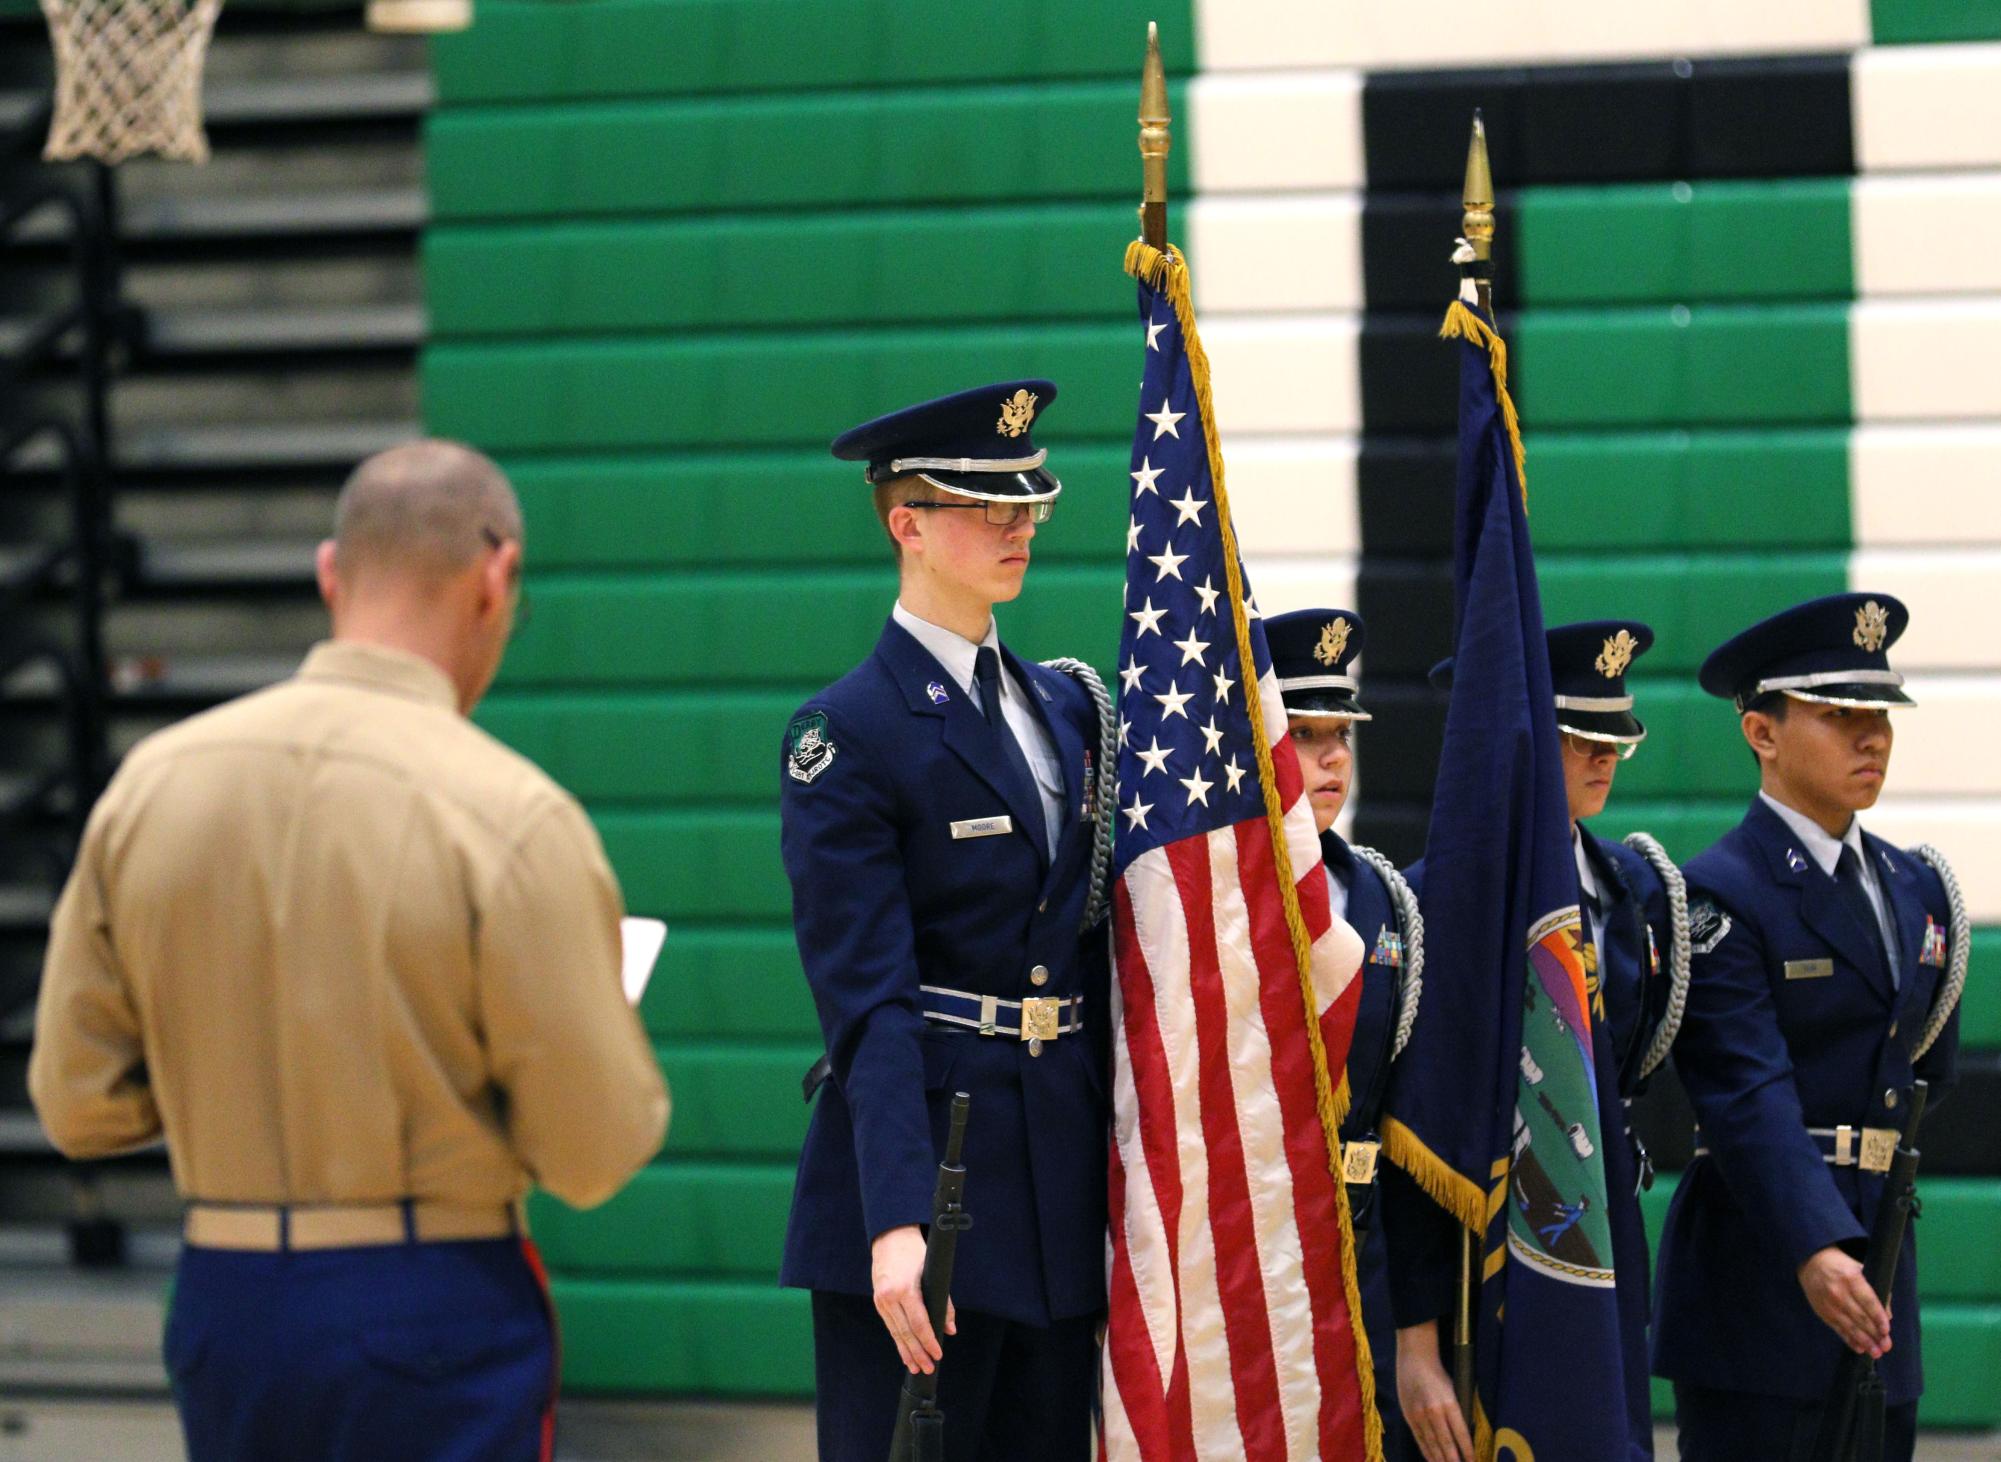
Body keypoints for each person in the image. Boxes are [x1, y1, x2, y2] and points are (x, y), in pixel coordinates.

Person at [28, 439, 670, 1461]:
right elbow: (593, 1150)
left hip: (225, 1291)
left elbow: (77, 1100)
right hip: (430, 1296)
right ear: (497, 575)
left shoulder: (150, 787)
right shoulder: (510, 814)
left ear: (332, 571)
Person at [778, 382, 1110, 1461]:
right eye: (983, 503)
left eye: (1026, 502)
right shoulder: (849, 731)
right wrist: (895, 1220)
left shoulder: (1065, 711)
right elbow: (866, 998)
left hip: (1056, 1182)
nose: (1016, 524)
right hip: (930, 1178)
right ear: (905, 522)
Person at [1653, 592, 1962, 1462]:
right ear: (1761, 732)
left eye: (1878, 716)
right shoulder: (1722, 890)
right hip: (1762, 1273)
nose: (1871, 738)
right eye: (1838, 716)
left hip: (1880, 1256)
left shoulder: (1915, 886)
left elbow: (1922, 1072)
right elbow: (1743, 1090)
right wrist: (1815, 1243)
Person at [1387, 620, 1681, 1462]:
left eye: (1613, 738)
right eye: (1578, 737)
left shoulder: (1627, 890)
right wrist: (1415, 1344)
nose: (1604, 758)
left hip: (1597, 1238)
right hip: (1475, 1257)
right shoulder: (1437, 901)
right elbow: (1415, 1136)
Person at [1265, 606, 1421, 1459]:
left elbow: (1403, 1116)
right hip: (1252, 1246)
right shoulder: (1219, 902)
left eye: (1342, 734)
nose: (1332, 759)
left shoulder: (1382, 899)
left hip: (1362, 1249)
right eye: (1303, 734)